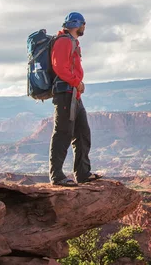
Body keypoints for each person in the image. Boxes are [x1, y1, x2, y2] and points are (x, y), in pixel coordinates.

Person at [49, 12, 102, 186]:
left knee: (82, 133)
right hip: (65, 94)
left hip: (74, 95)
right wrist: (76, 82)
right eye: (84, 24)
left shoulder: (72, 42)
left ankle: (83, 173)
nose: (84, 27)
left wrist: (77, 85)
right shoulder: (63, 41)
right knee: (63, 133)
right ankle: (56, 176)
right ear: (77, 24)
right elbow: (59, 67)